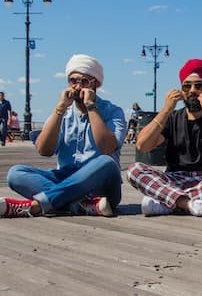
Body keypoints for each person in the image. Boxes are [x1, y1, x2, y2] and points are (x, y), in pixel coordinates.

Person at [1, 54, 126, 218]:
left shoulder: (113, 112)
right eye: (73, 81)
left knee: (107, 162)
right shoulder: (64, 113)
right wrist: (59, 110)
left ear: (95, 84)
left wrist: (91, 107)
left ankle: (36, 206)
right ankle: (79, 205)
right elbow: (44, 150)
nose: (77, 86)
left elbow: (107, 148)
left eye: (84, 81)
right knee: (16, 174)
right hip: (66, 177)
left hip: (101, 184)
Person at [127, 59, 202, 218]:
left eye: (199, 86)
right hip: (174, 180)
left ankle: (168, 203)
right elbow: (142, 145)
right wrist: (166, 110)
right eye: (186, 86)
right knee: (134, 170)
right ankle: (188, 205)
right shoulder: (173, 117)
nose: (192, 90)